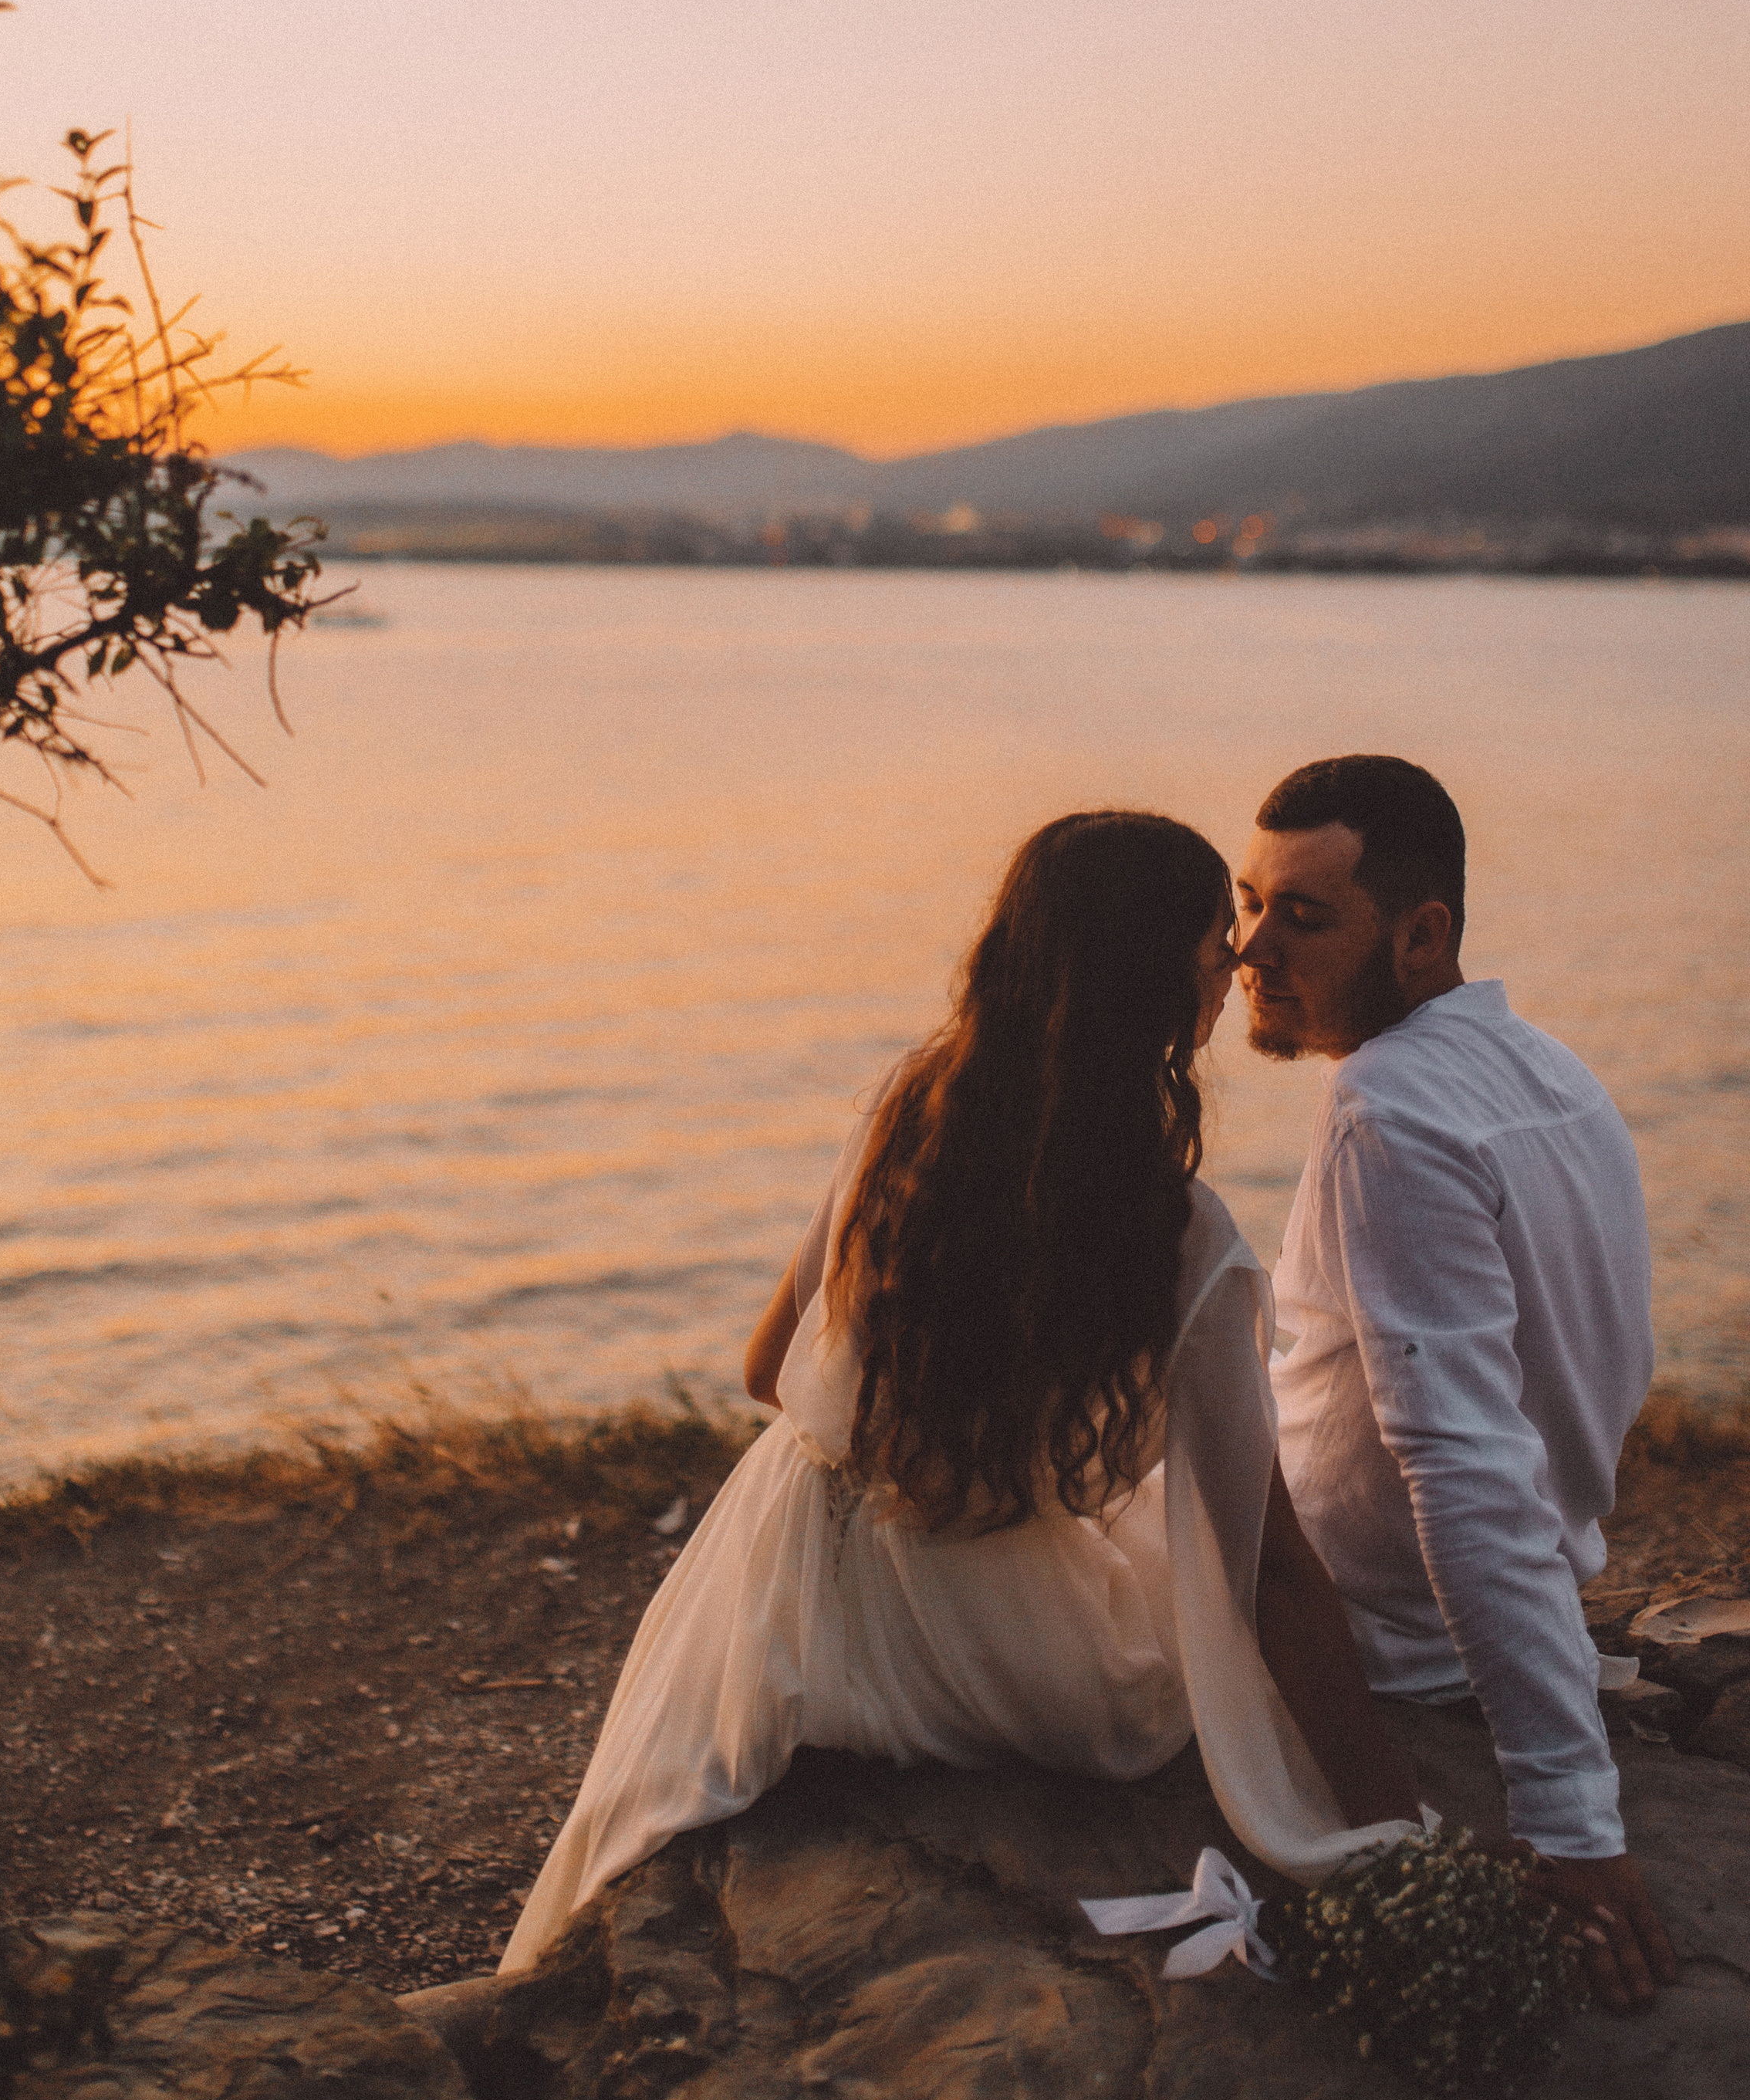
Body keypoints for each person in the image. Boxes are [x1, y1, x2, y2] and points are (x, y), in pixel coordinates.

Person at [500, 810, 1422, 1977]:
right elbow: (1271, 1570)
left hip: (776, 1594)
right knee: (1151, 1657)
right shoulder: (1178, 1236)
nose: (1238, 965)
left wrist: (926, 1432)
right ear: (1158, 986)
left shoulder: (909, 1107)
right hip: (992, 1650)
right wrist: (1404, 1838)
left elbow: (763, 1371)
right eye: (1214, 947)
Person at [1238, 753, 1679, 2016]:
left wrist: (1569, 1816)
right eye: (1247, 901)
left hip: (1357, 1631)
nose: (1250, 948)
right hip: (1460, 1591)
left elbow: (1468, 1464)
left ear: (1422, 935)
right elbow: (1607, 1370)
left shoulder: (1387, 1107)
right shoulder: (1552, 1072)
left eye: (1303, 917)